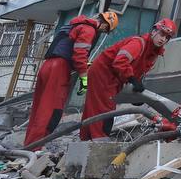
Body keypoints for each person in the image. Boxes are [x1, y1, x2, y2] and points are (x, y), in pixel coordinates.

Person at [23, 11, 118, 146]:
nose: (102, 32)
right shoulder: (89, 30)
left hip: (47, 66)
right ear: (104, 26)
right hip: (59, 69)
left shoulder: (75, 25)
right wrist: (84, 79)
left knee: (39, 108)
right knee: (51, 110)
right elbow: (79, 55)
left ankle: (29, 144)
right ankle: (35, 147)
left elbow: (72, 49)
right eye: (105, 30)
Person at [80, 18, 176, 140]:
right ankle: (99, 141)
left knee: (95, 107)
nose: (163, 39)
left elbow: (136, 72)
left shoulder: (153, 53)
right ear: (154, 31)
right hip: (103, 73)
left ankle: (85, 139)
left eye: (167, 37)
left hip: (114, 77)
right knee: (104, 109)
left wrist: (135, 93)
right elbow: (120, 62)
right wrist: (132, 79)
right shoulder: (138, 43)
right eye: (162, 34)